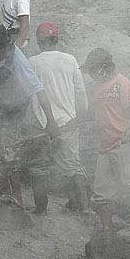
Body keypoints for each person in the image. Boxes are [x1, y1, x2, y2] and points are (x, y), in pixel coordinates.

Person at [0, 21, 59, 211]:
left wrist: (51, 121)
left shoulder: (18, 60)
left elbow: (39, 91)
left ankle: (17, 196)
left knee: (9, 150)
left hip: (16, 111)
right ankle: (2, 185)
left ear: (1, 44)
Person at [85, 47, 130, 231]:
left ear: (103, 67)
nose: (90, 75)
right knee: (101, 191)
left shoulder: (123, 83)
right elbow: (95, 111)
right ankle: (107, 229)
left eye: (92, 70)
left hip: (124, 141)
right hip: (105, 144)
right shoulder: (97, 87)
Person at [28, 22, 90, 213]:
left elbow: (29, 94)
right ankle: (82, 206)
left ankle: (41, 209)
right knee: (73, 165)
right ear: (56, 39)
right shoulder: (70, 60)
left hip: (42, 124)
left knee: (38, 166)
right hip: (68, 122)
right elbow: (80, 92)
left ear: (39, 41)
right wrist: (80, 115)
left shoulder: (32, 62)